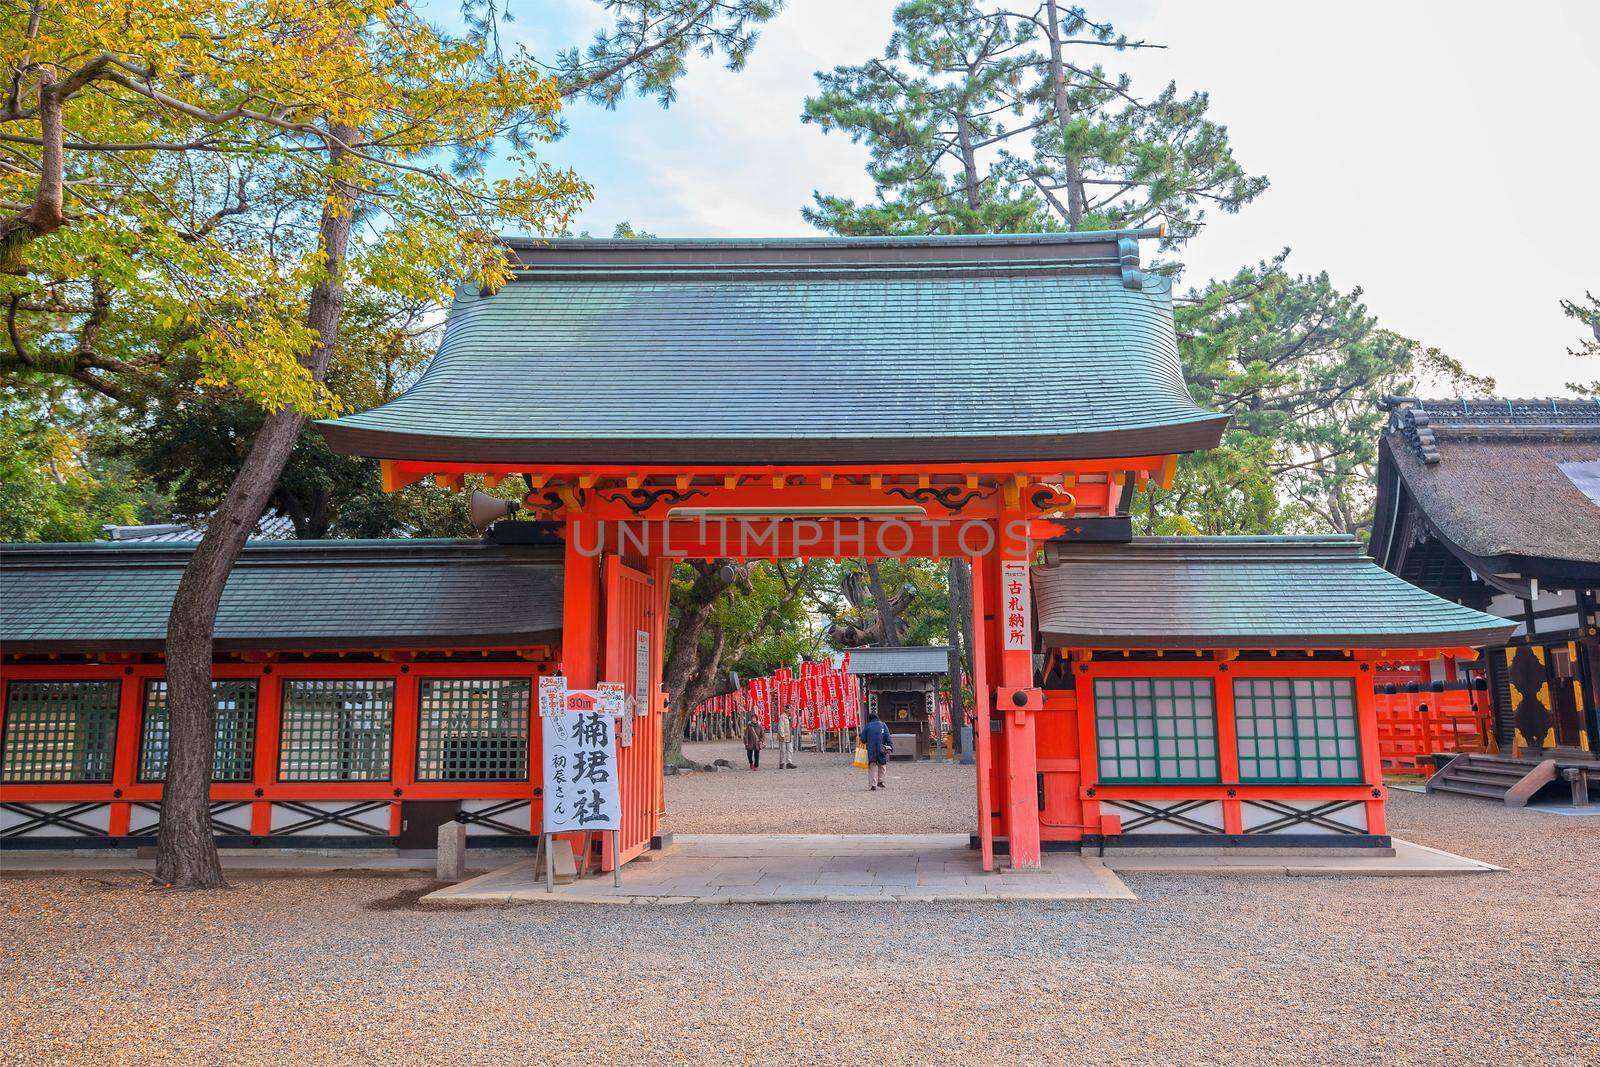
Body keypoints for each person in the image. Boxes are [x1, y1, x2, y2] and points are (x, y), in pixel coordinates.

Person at [861, 712, 891, 790]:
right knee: (882, 764)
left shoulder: (867, 726)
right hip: (881, 748)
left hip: (871, 749)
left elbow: (863, 739)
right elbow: (888, 737)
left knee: (872, 765)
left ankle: (873, 784)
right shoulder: (883, 725)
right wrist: (890, 746)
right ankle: (881, 781)